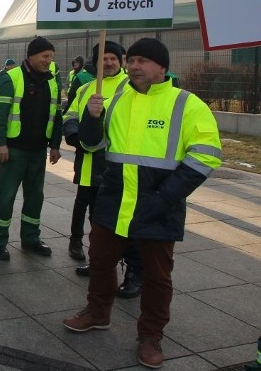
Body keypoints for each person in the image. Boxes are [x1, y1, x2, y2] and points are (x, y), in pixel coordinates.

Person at [62, 38, 222, 369]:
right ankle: (97, 312)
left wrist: (166, 196)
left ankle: (150, 336)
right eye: (131, 59)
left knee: (156, 275)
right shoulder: (116, 97)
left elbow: (207, 154)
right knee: (101, 260)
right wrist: (91, 119)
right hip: (115, 199)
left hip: (159, 204)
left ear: (162, 67)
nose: (134, 66)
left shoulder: (186, 103)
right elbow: (93, 146)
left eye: (143, 61)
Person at [0, 36, 62, 261]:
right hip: (14, 151)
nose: (48, 61)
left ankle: (31, 239)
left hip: (38, 151)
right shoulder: (10, 78)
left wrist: (56, 145)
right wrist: (1, 143)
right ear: (31, 55)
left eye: (51, 57)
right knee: (6, 197)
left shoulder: (52, 81)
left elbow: (56, 116)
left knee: (35, 197)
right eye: (45, 56)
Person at [62, 41, 127, 263]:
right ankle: (75, 241)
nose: (108, 63)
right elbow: (70, 115)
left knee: (104, 211)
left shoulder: (130, 87)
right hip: (87, 158)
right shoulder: (85, 89)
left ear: (121, 61)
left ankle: (103, 253)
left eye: (113, 58)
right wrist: (74, 136)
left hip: (113, 162)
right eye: (103, 59)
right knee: (82, 202)